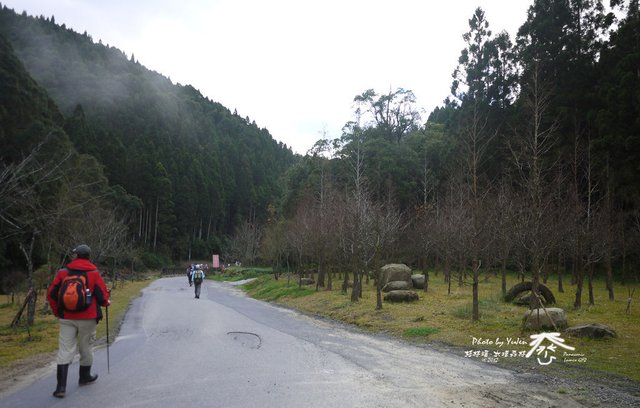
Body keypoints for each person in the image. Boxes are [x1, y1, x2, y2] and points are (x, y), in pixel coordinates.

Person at [47, 244, 110, 398]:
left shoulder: (63, 272)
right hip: (88, 318)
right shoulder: (94, 273)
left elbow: (51, 294)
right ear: (88, 256)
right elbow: (102, 298)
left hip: (66, 318)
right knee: (86, 347)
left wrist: (58, 312)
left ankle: (60, 388)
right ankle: (84, 377)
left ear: (76, 256)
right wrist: (107, 303)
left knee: (65, 350)